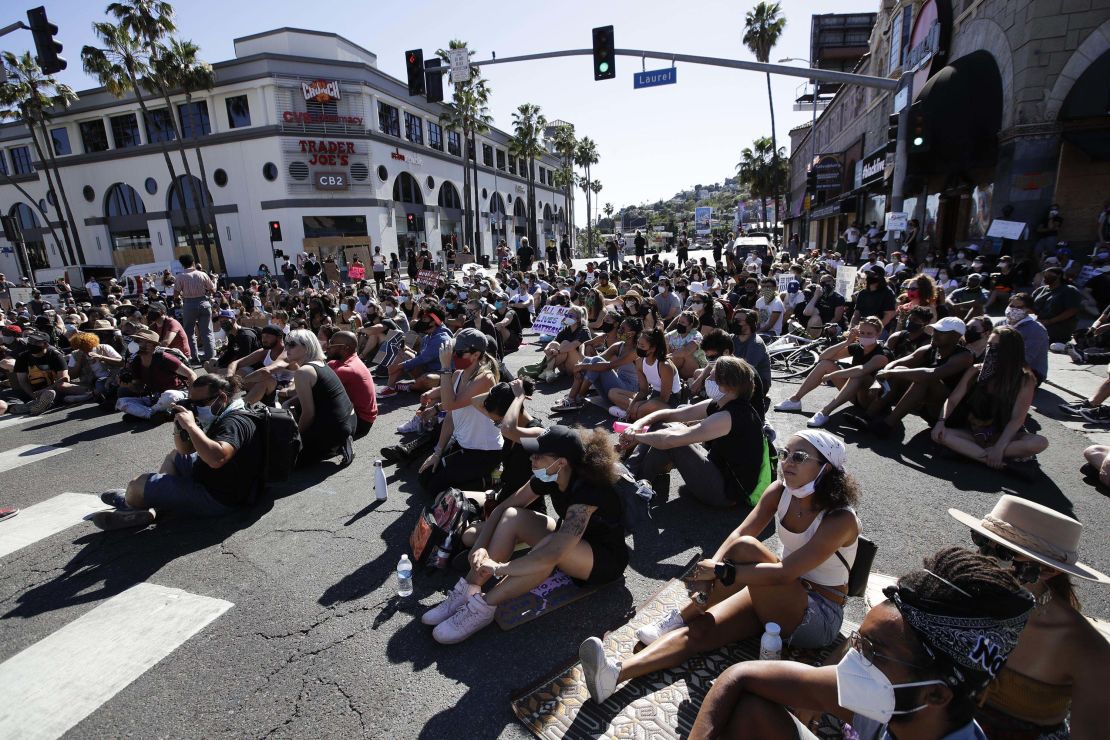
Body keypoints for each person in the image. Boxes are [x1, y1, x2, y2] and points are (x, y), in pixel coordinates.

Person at [579, 430, 861, 704]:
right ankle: (614, 674)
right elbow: (739, 532)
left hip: (818, 612)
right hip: (776, 591)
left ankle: (684, 612)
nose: (786, 462)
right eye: (786, 454)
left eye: (799, 457)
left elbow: (785, 571)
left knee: (747, 550)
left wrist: (724, 572)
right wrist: (714, 568)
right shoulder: (780, 491)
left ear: (826, 468)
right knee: (701, 630)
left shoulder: (840, 519)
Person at [690, 546, 1034, 740]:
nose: (853, 657)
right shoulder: (896, 700)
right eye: (860, 641)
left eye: (873, 652)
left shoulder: (889, 699)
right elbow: (742, 676)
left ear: (936, 694)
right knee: (750, 706)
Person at [422, 425, 626, 643]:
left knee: (549, 548)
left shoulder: (589, 491)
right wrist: (480, 546)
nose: (532, 460)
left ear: (562, 462)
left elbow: (553, 553)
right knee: (512, 516)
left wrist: (500, 568)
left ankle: (483, 607)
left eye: (538, 456)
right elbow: (502, 508)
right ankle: (469, 588)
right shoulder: (550, 473)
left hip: (602, 560)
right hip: (569, 539)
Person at [950, 496, 1109, 740]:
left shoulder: (1085, 648)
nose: (982, 558)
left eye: (1003, 552)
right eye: (981, 540)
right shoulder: (958, 590)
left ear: (1047, 571)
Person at [93, 374, 264, 530]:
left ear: (222, 398)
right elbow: (185, 449)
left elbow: (217, 459)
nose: (195, 409)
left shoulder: (234, 422)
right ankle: (156, 506)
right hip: (214, 479)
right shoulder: (223, 414)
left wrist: (190, 425)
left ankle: (129, 503)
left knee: (137, 485)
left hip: (218, 498)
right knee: (176, 456)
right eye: (192, 403)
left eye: (199, 404)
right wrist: (179, 427)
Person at [623, 356, 768, 507]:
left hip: (726, 494)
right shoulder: (724, 403)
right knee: (665, 425)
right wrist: (638, 424)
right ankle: (632, 473)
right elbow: (670, 414)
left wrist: (638, 437)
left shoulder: (730, 416)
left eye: (713, 375)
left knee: (673, 440)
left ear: (727, 385)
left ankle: (631, 482)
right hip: (718, 468)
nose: (707, 377)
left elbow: (671, 440)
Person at [931, 327, 1047, 472]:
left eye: (996, 347)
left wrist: (999, 447)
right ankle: (996, 462)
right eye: (989, 345)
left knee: (1038, 443)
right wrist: (940, 422)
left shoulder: (1024, 379)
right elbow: (953, 399)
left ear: (1010, 351)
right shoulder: (976, 370)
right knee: (940, 435)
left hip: (1006, 436)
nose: (991, 350)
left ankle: (976, 454)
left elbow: (1017, 419)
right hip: (976, 433)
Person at [418, 329, 503, 496]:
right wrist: (438, 452)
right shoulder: (457, 375)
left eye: (458, 353)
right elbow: (451, 416)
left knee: (436, 488)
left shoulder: (485, 378)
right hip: (464, 443)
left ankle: (493, 478)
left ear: (476, 354)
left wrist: (444, 367)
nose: (453, 356)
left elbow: (449, 405)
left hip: (484, 451)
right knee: (425, 476)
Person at [776, 317, 893, 428]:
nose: (865, 336)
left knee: (858, 376)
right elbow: (823, 356)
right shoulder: (858, 347)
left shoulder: (882, 354)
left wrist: (832, 375)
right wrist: (847, 342)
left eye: (869, 334)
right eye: (862, 333)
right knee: (825, 364)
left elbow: (861, 370)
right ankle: (795, 400)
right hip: (856, 396)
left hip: (873, 402)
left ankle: (824, 412)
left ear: (878, 334)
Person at [865, 317, 974, 436]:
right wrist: (879, 379)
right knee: (900, 370)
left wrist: (890, 373)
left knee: (923, 379)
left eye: (941, 332)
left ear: (956, 336)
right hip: (927, 405)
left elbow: (933, 374)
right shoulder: (930, 349)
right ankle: (867, 416)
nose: (935, 334)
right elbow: (896, 363)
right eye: (935, 330)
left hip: (950, 413)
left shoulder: (964, 356)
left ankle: (886, 426)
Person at [284, 329, 356, 467]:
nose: (287, 348)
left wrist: (296, 437)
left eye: (292, 344)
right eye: (286, 343)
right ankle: (340, 443)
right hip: (350, 420)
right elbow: (321, 393)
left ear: (307, 346)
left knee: (287, 461)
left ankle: (334, 447)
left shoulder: (303, 372)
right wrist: (289, 401)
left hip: (335, 428)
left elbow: (309, 414)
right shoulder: (320, 363)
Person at [554, 317, 641, 413]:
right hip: (616, 386)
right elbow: (594, 359)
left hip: (628, 391)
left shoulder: (636, 351)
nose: (619, 331)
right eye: (620, 327)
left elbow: (608, 365)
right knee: (591, 360)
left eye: (622, 329)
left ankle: (577, 398)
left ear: (632, 333)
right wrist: (582, 364)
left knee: (595, 362)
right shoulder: (619, 345)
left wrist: (582, 366)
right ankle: (573, 397)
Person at [115, 328, 196, 419]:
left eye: (138, 341)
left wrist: (191, 398)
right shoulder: (136, 362)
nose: (133, 343)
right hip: (157, 398)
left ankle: (147, 413)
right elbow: (140, 388)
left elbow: (191, 374)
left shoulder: (164, 358)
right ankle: (154, 414)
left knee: (169, 395)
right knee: (121, 402)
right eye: (134, 340)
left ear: (150, 345)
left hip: (177, 394)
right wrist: (128, 385)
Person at [608, 327, 680, 421]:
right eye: (638, 343)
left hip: (670, 401)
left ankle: (629, 413)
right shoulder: (639, 361)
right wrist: (633, 404)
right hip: (653, 397)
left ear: (653, 348)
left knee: (644, 407)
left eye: (642, 346)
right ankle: (632, 412)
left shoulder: (665, 366)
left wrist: (640, 404)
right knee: (613, 393)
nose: (638, 347)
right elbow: (643, 391)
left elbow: (664, 398)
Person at [382, 305, 452, 397]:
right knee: (401, 352)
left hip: (442, 374)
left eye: (424, 319)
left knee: (427, 379)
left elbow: (422, 359)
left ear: (434, 321)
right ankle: (390, 388)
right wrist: (407, 350)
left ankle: (408, 386)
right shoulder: (428, 336)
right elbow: (421, 355)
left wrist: (399, 366)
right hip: (426, 368)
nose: (421, 321)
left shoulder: (441, 338)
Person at [324, 331, 377, 440]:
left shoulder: (348, 369)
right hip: (356, 413)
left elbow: (314, 387)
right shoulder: (339, 362)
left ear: (345, 348)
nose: (327, 347)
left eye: (331, 344)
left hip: (361, 421)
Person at [8, 331, 67, 415]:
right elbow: (23, 381)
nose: (32, 344)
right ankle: (40, 403)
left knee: (58, 390)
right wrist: (33, 395)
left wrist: (43, 391)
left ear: (46, 344)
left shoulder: (55, 356)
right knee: (9, 400)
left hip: (53, 389)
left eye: (36, 342)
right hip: (31, 392)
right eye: (30, 340)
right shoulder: (22, 357)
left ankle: (37, 404)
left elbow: (64, 379)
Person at [176, 254, 216, 363]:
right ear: (193, 262)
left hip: (189, 304)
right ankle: (211, 357)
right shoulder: (202, 274)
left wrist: (180, 298)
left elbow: (176, 293)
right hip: (203, 302)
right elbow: (213, 290)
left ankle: (194, 357)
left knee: (189, 332)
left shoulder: (180, 276)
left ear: (182, 264)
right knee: (207, 331)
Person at [1002, 293, 1049, 384]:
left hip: (1030, 372)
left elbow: (1026, 358)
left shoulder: (1036, 329)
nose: (1013, 309)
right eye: (1011, 305)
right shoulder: (1001, 323)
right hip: (1003, 366)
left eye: (1019, 307)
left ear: (1028, 310)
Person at [539, 305, 590, 382]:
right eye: (567, 315)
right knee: (554, 344)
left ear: (578, 319)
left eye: (570, 316)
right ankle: (549, 371)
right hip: (564, 367)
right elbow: (554, 341)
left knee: (565, 343)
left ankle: (547, 370)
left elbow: (574, 345)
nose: (567, 317)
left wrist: (558, 351)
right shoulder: (566, 329)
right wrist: (547, 349)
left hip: (577, 366)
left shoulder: (584, 330)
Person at [1032, 267, 1082, 343]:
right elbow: (1029, 305)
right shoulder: (1040, 290)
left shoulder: (1069, 290)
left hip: (1058, 326)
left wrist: (1049, 321)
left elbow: (1072, 310)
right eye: (1044, 274)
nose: (1045, 277)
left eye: (1049, 274)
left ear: (1059, 276)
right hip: (1038, 322)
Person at [851, 266, 898, 331]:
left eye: (873, 275)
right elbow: (856, 314)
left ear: (880, 277)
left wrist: (874, 330)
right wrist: (852, 328)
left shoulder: (888, 293)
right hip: (862, 328)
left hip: (881, 329)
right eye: (869, 275)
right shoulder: (862, 293)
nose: (869, 277)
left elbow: (888, 315)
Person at [665, 311, 705, 379]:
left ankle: (671, 377)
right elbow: (664, 346)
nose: (679, 324)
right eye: (679, 321)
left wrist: (668, 356)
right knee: (676, 355)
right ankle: (672, 378)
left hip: (695, 367)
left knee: (683, 354)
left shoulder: (697, 336)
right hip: (677, 365)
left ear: (691, 325)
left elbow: (686, 351)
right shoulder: (671, 335)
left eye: (682, 322)